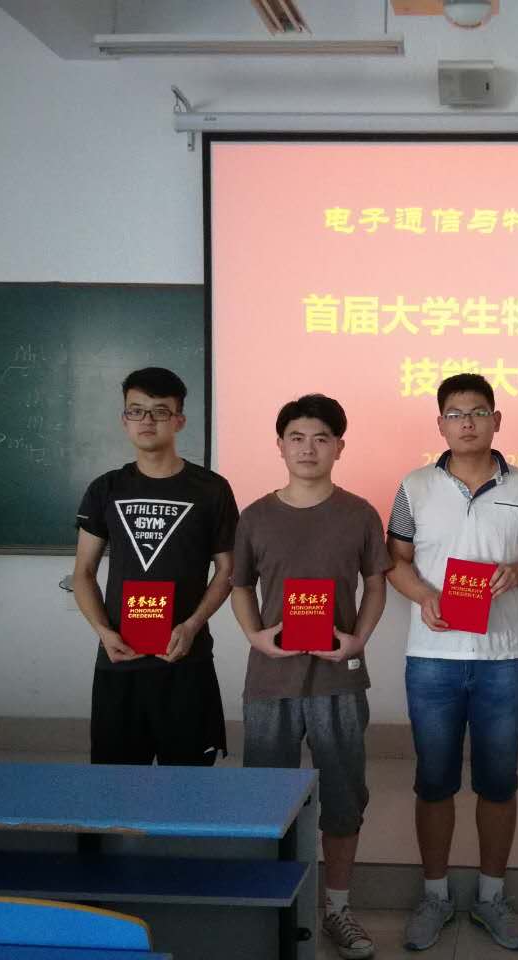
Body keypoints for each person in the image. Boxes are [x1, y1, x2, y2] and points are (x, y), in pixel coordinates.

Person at [385, 373, 518, 952]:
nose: (467, 423)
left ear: (496, 420)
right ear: (440, 424)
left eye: (478, 412)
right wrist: (424, 597)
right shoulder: (415, 486)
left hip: (504, 657)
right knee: (433, 781)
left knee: (498, 782)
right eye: (455, 414)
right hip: (432, 658)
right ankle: (434, 896)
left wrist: (517, 574)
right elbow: (395, 559)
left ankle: (490, 897)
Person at [230, 394, 389, 960]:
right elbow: (239, 586)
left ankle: (337, 910)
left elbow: (376, 584)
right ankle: (270, 906)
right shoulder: (254, 516)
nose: (308, 448)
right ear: (279, 445)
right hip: (270, 680)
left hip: (337, 679)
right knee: (265, 797)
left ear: (339, 447)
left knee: (343, 796)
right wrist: (255, 636)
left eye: (321, 438)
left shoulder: (360, 513)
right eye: (296, 437)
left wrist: (359, 639)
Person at [73, 367, 237, 766]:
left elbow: (228, 571)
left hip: (186, 659)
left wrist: (192, 625)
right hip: (119, 660)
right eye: (136, 410)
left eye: (160, 411)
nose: (147, 420)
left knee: (188, 782)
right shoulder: (105, 488)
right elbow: (83, 573)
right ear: (124, 419)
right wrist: (103, 632)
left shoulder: (211, 489)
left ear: (179, 420)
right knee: (116, 784)